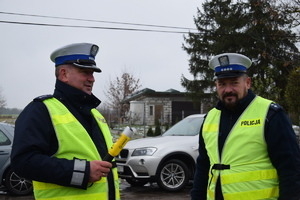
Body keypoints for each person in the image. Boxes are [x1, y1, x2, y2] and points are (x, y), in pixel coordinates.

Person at [11, 43, 120, 200]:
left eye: (93, 73)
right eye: (85, 72)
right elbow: (23, 162)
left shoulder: (95, 114)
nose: (92, 79)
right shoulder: (41, 110)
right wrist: (84, 172)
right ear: (63, 74)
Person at [190, 53, 300, 200]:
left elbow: (291, 169)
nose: (228, 89)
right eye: (222, 84)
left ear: (247, 83)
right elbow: (203, 167)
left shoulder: (271, 114)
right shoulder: (210, 118)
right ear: (216, 85)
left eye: (234, 82)